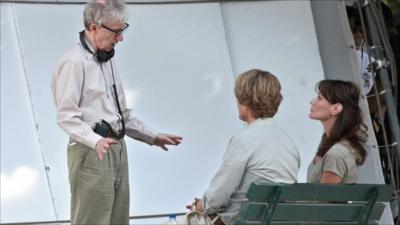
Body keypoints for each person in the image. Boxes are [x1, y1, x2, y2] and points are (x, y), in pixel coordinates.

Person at [51, 0, 182, 224]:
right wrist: (95, 141)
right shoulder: (74, 62)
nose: (120, 38)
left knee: (118, 219)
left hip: (115, 147)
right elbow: (66, 117)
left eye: (122, 30)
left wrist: (152, 136)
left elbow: (121, 114)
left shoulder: (107, 59)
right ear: (93, 27)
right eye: (116, 32)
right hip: (91, 150)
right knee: (92, 219)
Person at [178, 69, 300, 225]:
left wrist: (200, 205)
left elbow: (217, 199)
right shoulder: (288, 143)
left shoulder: (243, 141)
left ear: (245, 103)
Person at [307, 80, 368, 184]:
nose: (312, 101)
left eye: (319, 98)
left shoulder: (337, 153)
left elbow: (323, 198)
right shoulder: (327, 140)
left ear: (336, 108)